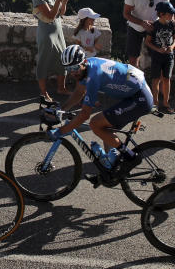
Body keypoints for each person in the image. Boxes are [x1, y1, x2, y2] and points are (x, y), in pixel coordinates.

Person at [53, 44, 154, 183]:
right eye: (68, 69)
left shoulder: (94, 75)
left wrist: (61, 131)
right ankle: (110, 169)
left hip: (140, 97)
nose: (72, 72)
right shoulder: (86, 69)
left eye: (75, 68)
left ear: (84, 62)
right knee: (104, 126)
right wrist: (62, 109)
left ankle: (131, 157)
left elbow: (84, 114)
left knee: (95, 123)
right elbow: (78, 92)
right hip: (133, 91)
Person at [31, 0, 70, 103]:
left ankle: (61, 87)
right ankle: (43, 92)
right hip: (46, 33)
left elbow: (60, 13)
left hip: (57, 30)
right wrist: (59, 0)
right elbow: (50, 16)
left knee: (63, 59)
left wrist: (64, 2)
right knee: (44, 61)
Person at [123, 0, 170, 67]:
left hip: (154, 27)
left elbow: (167, 10)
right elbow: (126, 13)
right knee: (133, 59)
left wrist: (169, 24)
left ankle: (155, 81)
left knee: (158, 56)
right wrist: (141, 23)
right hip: (135, 27)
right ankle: (134, 81)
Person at [145, 1, 175, 114]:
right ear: (162, 14)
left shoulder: (172, 24)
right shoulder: (154, 26)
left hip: (169, 56)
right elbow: (148, 42)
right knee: (155, 79)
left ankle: (165, 103)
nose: (171, 15)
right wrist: (158, 49)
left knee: (166, 78)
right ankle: (154, 103)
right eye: (170, 13)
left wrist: (172, 47)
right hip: (156, 56)